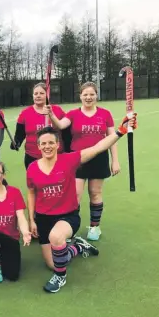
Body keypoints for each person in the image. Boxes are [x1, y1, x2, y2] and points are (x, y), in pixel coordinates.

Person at [26, 114, 137, 293]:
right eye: (43, 143)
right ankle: (77, 247)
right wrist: (32, 220)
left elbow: (97, 148)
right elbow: (31, 193)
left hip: (66, 217)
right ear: (38, 146)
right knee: (53, 263)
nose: (47, 146)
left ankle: (60, 278)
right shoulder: (32, 168)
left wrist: (120, 131)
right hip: (43, 218)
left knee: (56, 240)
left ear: (57, 144)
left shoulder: (68, 160)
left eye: (50, 143)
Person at [46, 82, 120, 241]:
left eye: (91, 94)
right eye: (85, 94)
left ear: (96, 96)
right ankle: (70, 228)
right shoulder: (73, 113)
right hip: (77, 158)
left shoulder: (105, 114)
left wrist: (115, 161)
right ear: (80, 96)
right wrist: (51, 114)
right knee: (75, 194)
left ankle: (94, 227)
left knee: (95, 192)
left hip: (99, 158)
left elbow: (112, 138)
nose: (88, 97)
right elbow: (60, 125)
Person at [11, 82, 69, 170]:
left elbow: (66, 133)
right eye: (35, 93)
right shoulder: (25, 113)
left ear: (47, 95)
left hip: (56, 156)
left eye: (41, 93)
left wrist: (68, 151)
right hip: (33, 157)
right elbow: (19, 134)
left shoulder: (57, 110)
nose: (38, 96)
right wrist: (16, 143)